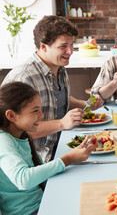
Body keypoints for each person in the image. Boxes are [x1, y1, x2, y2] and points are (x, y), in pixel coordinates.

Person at [1, 16, 103, 162]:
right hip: (38, 158)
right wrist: (62, 123)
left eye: (71, 44)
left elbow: (58, 99)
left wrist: (85, 104)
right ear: (43, 47)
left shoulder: (59, 67)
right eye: (63, 46)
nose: (70, 51)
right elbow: (18, 130)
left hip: (62, 143)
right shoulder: (23, 77)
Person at [0, 82, 98, 215]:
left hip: (43, 200)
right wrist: (67, 159)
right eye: (35, 110)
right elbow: (23, 180)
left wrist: (74, 157)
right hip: (29, 211)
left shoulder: (21, 134)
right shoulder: (3, 140)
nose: (41, 115)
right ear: (11, 116)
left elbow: (39, 171)